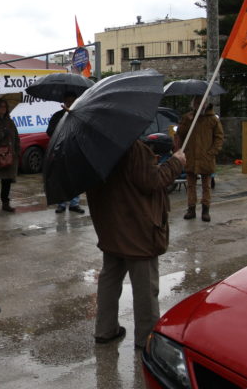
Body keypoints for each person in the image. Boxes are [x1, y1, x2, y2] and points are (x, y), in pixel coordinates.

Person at [86, 140, 185, 349]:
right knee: (145, 288)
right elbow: (151, 182)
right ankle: (146, 339)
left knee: (109, 279)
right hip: (136, 230)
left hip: (110, 227)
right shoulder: (132, 148)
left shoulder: (93, 149)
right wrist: (175, 163)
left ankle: (105, 330)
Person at [176, 96, 224, 222]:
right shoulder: (188, 117)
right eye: (197, 103)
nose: (199, 105)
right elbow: (180, 133)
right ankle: (191, 209)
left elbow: (219, 137)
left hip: (206, 157)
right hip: (190, 156)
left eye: (202, 103)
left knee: (206, 186)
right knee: (190, 185)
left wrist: (212, 152)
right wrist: (187, 121)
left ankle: (205, 210)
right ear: (193, 104)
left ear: (206, 104)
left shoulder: (213, 119)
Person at [46, 92, 84, 214]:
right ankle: (61, 204)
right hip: (60, 151)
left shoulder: (79, 115)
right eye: (68, 101)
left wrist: (72, 115)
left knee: (75, 178)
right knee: (60, 178)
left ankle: (74, 203)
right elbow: (50, 131)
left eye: (72, 101)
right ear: (64, 102)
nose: (70, 103)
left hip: (74, 151)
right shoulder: (58, 116)